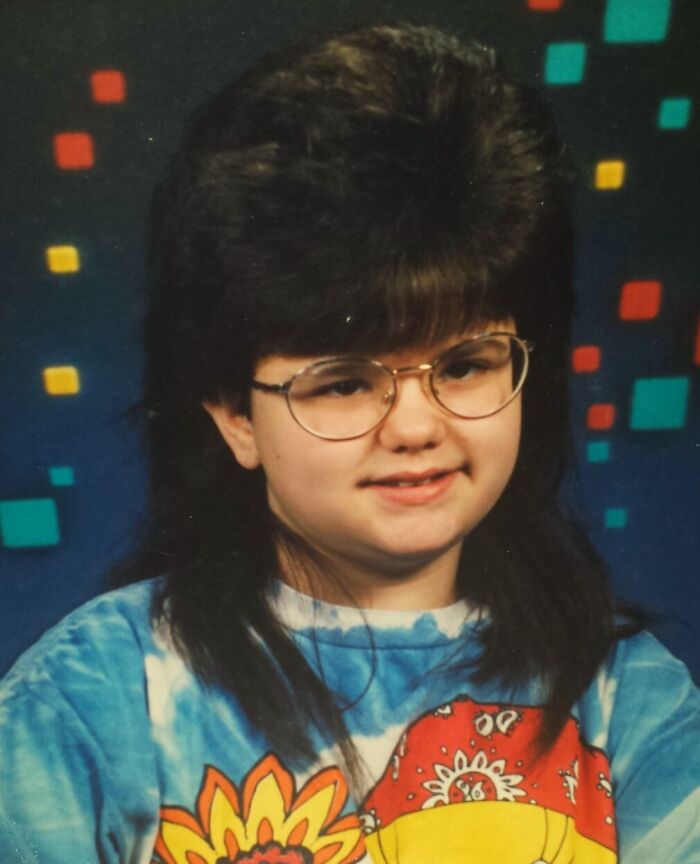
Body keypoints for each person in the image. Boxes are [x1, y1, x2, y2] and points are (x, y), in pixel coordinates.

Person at [0, 22, 698, 864]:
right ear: (232, 415)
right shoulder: (91, 701)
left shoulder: (628, 700)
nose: (415, 427)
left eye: (467, 364)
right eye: (343, 382)